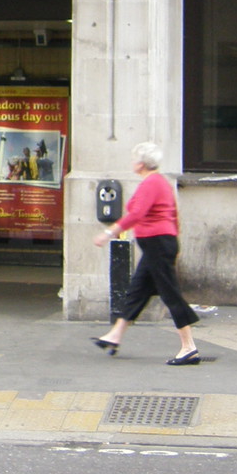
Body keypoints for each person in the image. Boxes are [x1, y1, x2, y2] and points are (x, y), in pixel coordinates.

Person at [91, 141, 201, 365]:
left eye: (134, 159)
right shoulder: (159, 183)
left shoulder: (151, 183)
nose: (132, 163)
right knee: (137, 290)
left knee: (170, 293)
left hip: (157, 244)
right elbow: (172, 216)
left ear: (140, 163)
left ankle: (189, 347)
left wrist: (110, 232)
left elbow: (136, 214)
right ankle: (115, 335)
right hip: (158, 244)